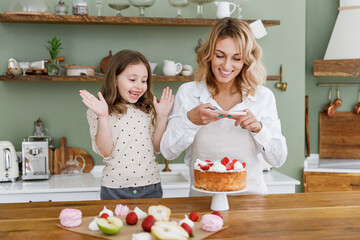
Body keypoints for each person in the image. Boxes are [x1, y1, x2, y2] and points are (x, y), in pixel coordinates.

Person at [160, 18, 287, 196]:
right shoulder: (188, 93)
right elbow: (167, 151)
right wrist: (190, 121)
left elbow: (278, 158)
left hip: (251, 201)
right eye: (220, 56)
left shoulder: (262, 97)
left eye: (236, 58)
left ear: (247, 60)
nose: (227, 66)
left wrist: (258, 128)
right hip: (203, 201)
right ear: (208, 54)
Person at [80, 50, 174, 200]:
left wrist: (162, 117)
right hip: (114, 189)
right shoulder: (98, 110)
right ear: (114, 79)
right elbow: (105, 151)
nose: (139, 86)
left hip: (151, 185)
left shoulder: (148, 109)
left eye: (144, 81)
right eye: (132, 79)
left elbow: (157, 147)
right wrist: (103, 116)